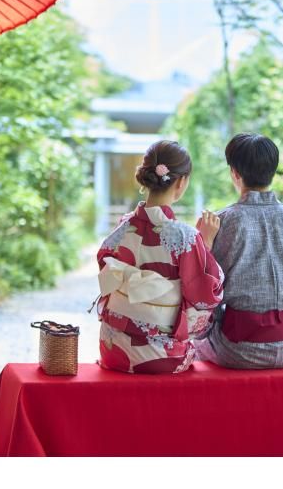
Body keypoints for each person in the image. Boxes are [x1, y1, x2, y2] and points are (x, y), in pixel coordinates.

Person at [196, 133, 283, 369]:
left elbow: (209, 293)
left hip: (237, 349)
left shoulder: (223, 222)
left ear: (235, 173)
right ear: (273, 172)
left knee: (196, 345)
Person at [94, 140, 224, 374]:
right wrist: (205, 245)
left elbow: (105, 265)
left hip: (113, 350)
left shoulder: (123, 227)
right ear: (182, 182)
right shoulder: (186, 238)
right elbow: (205, 297)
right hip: (161, 357)